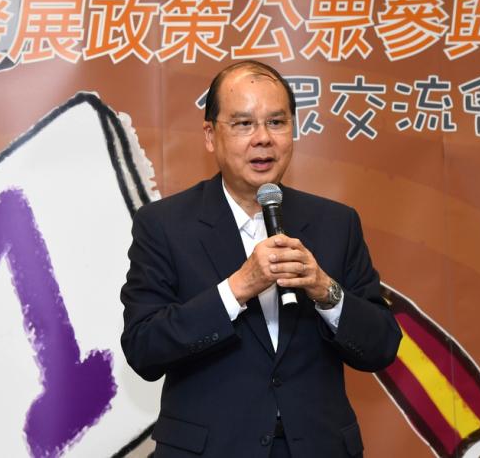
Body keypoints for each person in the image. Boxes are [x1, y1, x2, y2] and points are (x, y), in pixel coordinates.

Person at [120, 60, 402, 458]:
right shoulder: (164, 225)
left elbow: (382, 346)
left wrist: (325, 290)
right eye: (243, 124)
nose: (263, 139)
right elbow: (144, 348)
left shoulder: (336, 223)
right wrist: (236, 289)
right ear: (210, 135)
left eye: (276, 122)